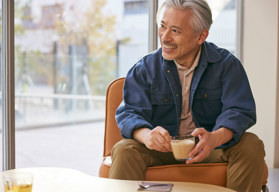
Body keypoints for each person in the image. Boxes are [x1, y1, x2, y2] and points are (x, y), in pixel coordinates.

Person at [109, 0, 265, 191]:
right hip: (162, 150)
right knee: (124, 150)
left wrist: (214, 138)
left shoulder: (227, 65)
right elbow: (130, 113)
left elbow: (239, 111)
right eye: (163, 26)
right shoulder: (144, 69)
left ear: (201, 36)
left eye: (175, 31)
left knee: (251, 144)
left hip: (210, 148)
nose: (165, 37)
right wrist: (147, 135)